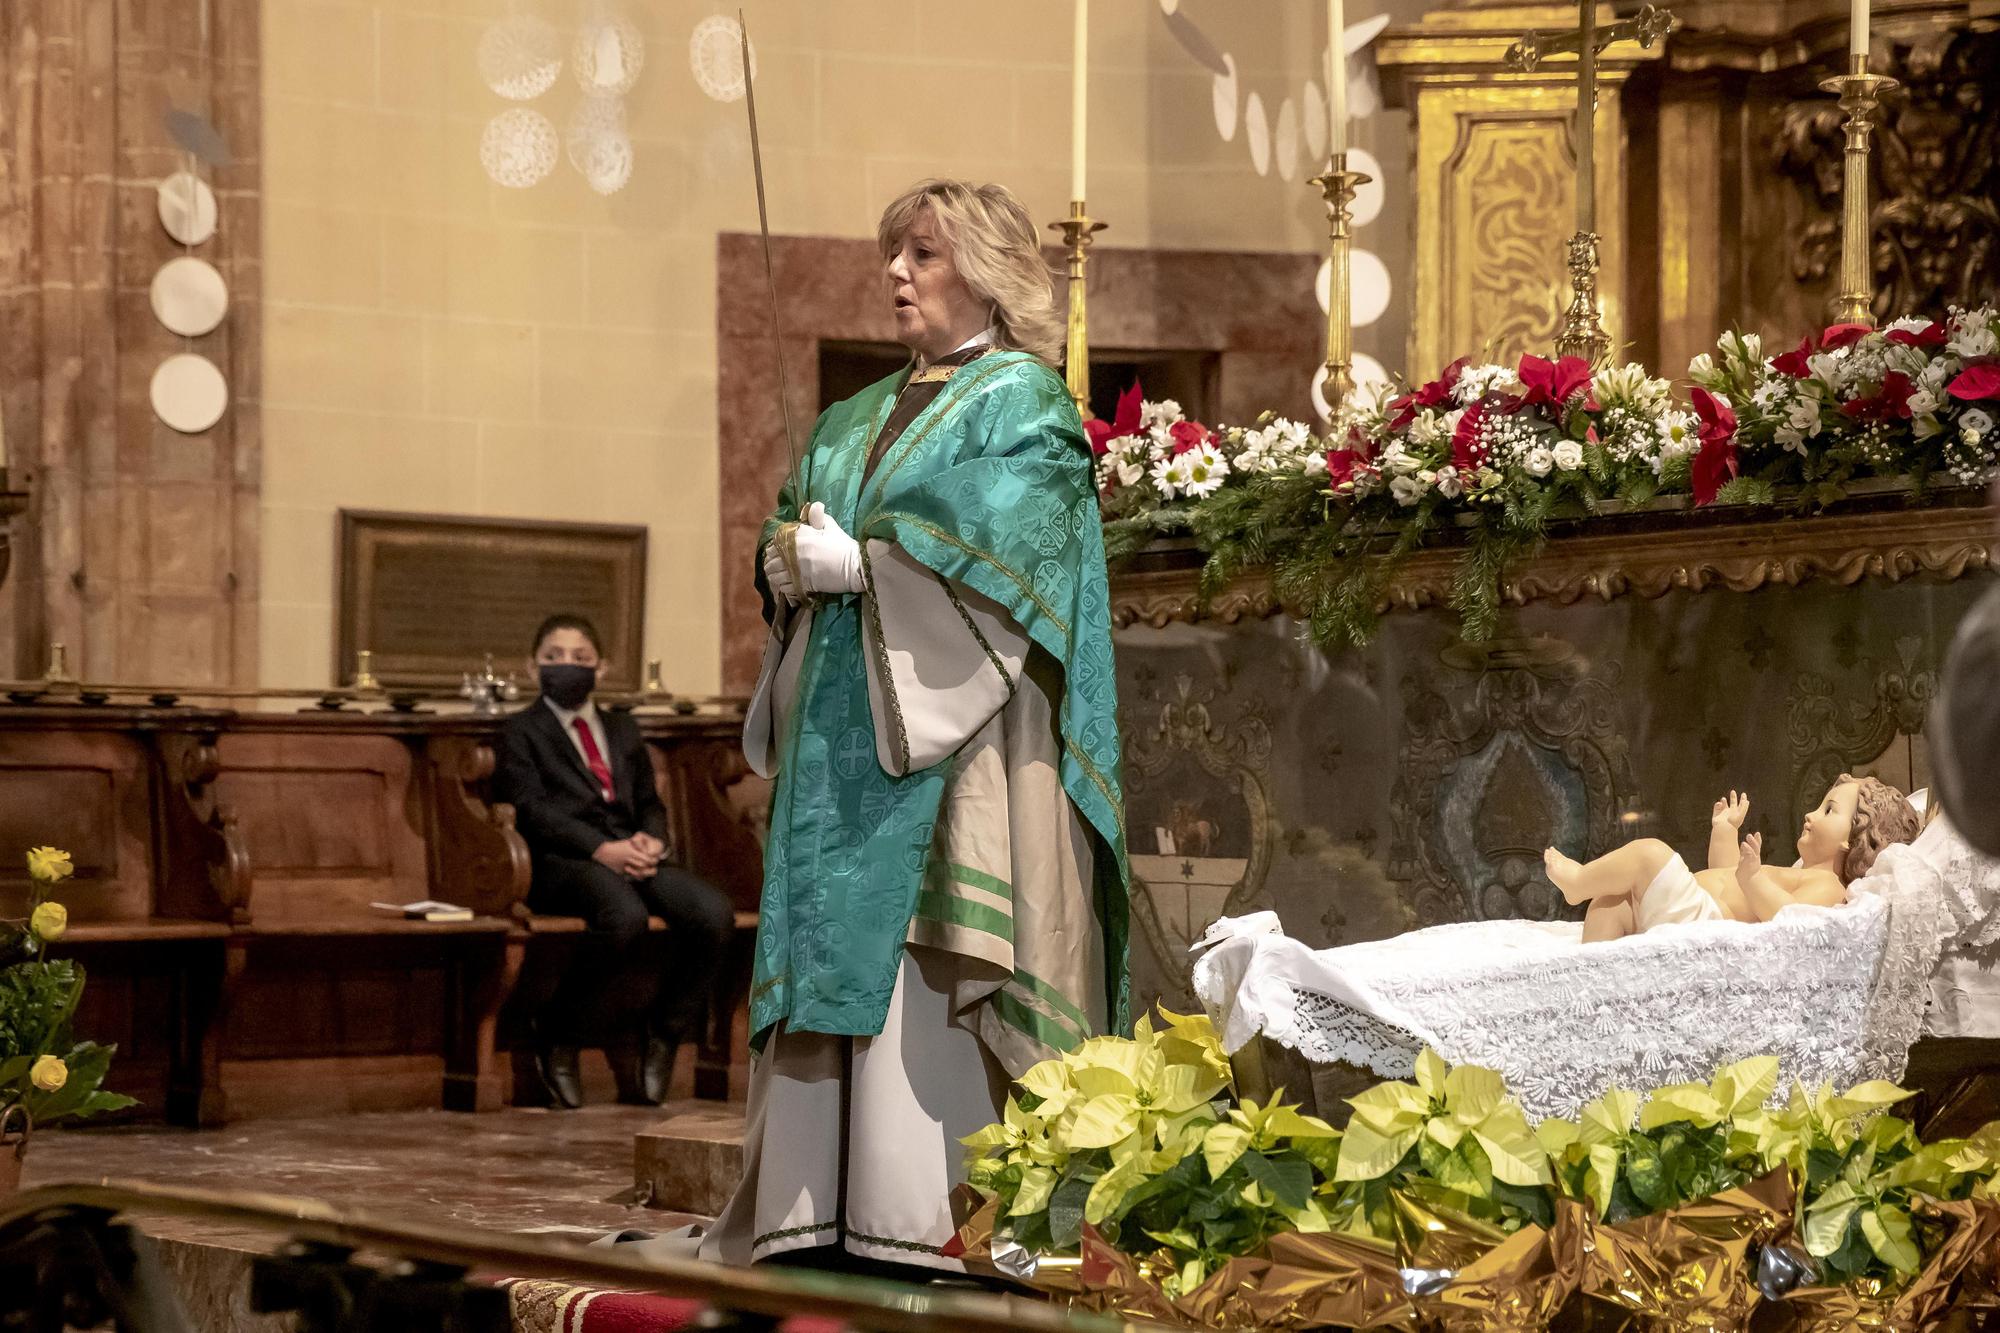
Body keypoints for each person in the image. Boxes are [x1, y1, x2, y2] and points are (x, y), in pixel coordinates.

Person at [700, 179, 1128, 1275]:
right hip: (842, 743)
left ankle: (920, 1215)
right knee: (842, 953)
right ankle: (813, 1208)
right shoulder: (849, 415)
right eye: (894, 252)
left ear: (984, 269)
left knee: (924, 970)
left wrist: (874, 564)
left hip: (955, 747)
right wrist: (784, 560)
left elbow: (1017, 543)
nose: (895, 273)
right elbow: (793, 517)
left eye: (923, 255)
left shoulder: (1023, 401)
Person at [493, 613, 735, 1109]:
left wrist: (653, 841)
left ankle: (666, 1029)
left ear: (600, 669)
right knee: (622, 918)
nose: (567, 667)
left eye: (580, 659)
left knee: (713, 915)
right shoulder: (520, 731)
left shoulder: (622, 728)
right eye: (553, 658)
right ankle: (561, 1031)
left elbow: (649, 801)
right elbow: (533, 811)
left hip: (634, 854)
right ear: (531, 666)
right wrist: (601, 849)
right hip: (565, 862)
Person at [1543, 777, 1921, 942]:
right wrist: (1724, 831)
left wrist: (1753, 879)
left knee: (1650, 853)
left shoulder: (1829, 887)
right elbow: (1723, 875)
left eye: (1827, 810)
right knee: (1610, 903)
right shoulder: (1798, 871)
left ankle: (1577, 884)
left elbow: (1789, 920)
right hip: (1692, 909)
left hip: (1703, 920)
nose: (1810, 813)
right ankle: (1593, 975)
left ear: (1851, 839)